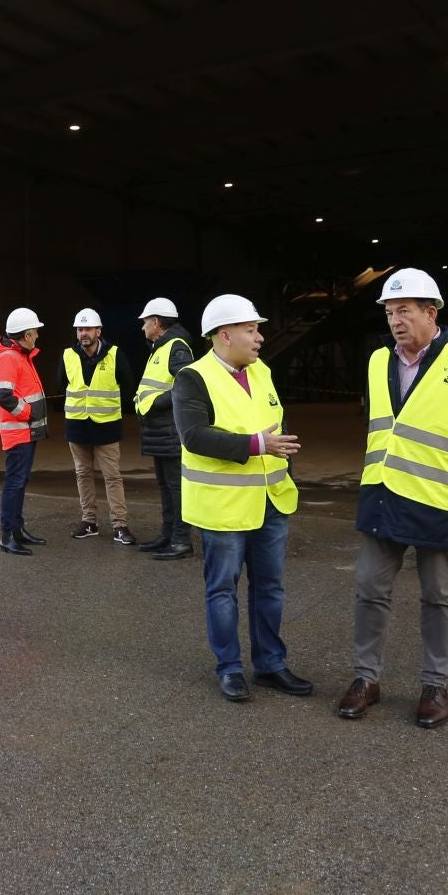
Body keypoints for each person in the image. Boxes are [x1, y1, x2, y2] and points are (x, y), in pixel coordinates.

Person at [338, 267, 448, 729]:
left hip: (438, 499)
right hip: (383, 494)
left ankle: (435, 685)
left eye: (405, 311)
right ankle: (366, 678)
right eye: (389, 312)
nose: (395, 321)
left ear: (431, 313)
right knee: (369, 588)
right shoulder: (378, 361)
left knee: (438, 595)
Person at [174, 294, 313, 702]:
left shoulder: (262, 371)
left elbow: (277, 425)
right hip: (224, 508)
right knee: (223, 589)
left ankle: (270, 664)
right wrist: (257, 445)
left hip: (271, 500)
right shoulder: (192, 378)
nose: (260, 337)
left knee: (270, 588)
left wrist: (282, 460)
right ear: (225, 334)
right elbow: (194, 436)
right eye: (251, 330)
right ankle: (230, 668)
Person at [62, 308, 136, 544]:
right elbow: (61, 383)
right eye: (80, 329)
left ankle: (120, 525)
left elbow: (128, 385)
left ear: (98, 331)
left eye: (88, 329)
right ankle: (89, 522)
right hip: (77, 426)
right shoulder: (68, 355)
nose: (83, 333)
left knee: (112, 477)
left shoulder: (115, 355)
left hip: (107, 427)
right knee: (82, 474)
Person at [134, 297, 195, 560]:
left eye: (145, 321)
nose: (143, 327)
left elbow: (186, 387)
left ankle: (181, 540)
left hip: (170, 430)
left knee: (175, 486)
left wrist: (153, 404)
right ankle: (167, 535)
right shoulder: (160, 348)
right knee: (166, 485)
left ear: (156, 322)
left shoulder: (176, 347)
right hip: (159, 430)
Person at [0, 306, 49, 555]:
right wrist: (28, 414)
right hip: (18, 432)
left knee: (20, 481)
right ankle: (7, 536)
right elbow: (3, 396)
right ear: (26, 335)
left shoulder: (20, 355)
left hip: (26, 431)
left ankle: (17, 529)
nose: (37, 335)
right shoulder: (8, 358)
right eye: (35, 331)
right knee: (14, 483)